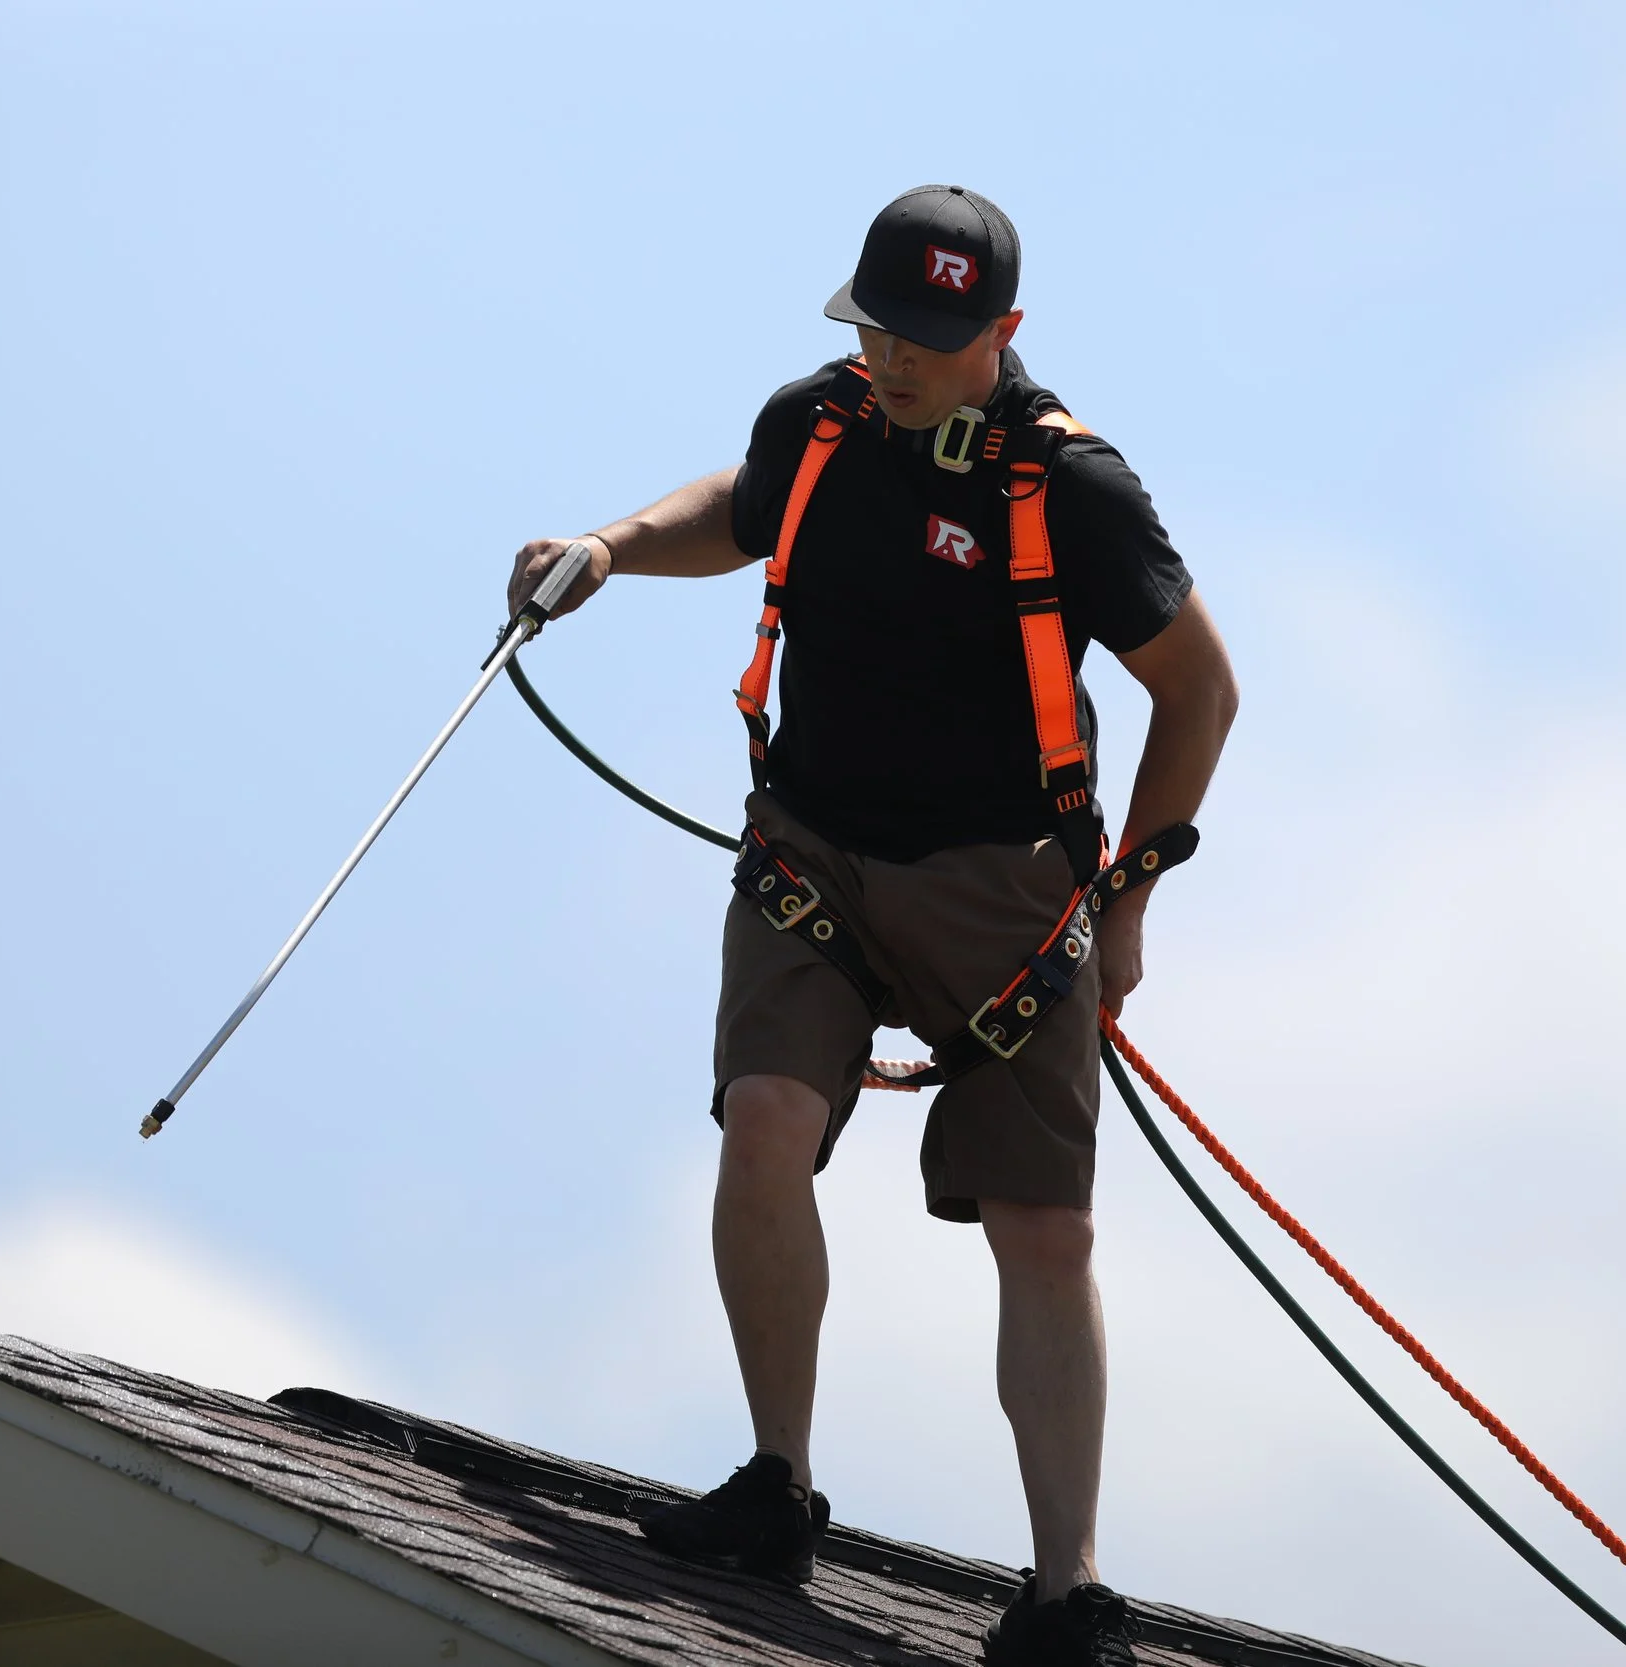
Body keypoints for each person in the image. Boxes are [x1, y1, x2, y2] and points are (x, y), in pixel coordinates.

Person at [505, 185, 1237, 1667]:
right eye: (880, 327)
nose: (898, 358)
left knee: (1044, 1224)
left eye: (933, 338)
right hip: (814, 852)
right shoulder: (822, 423)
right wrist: (606, 545)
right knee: (764, 1115)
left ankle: (1065, 1591)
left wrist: (1131, 894)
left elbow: (1200, 689)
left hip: (1009, 890)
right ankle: (777, 1483)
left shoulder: (1071, 487)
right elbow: (741, 505)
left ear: (1004, 335)